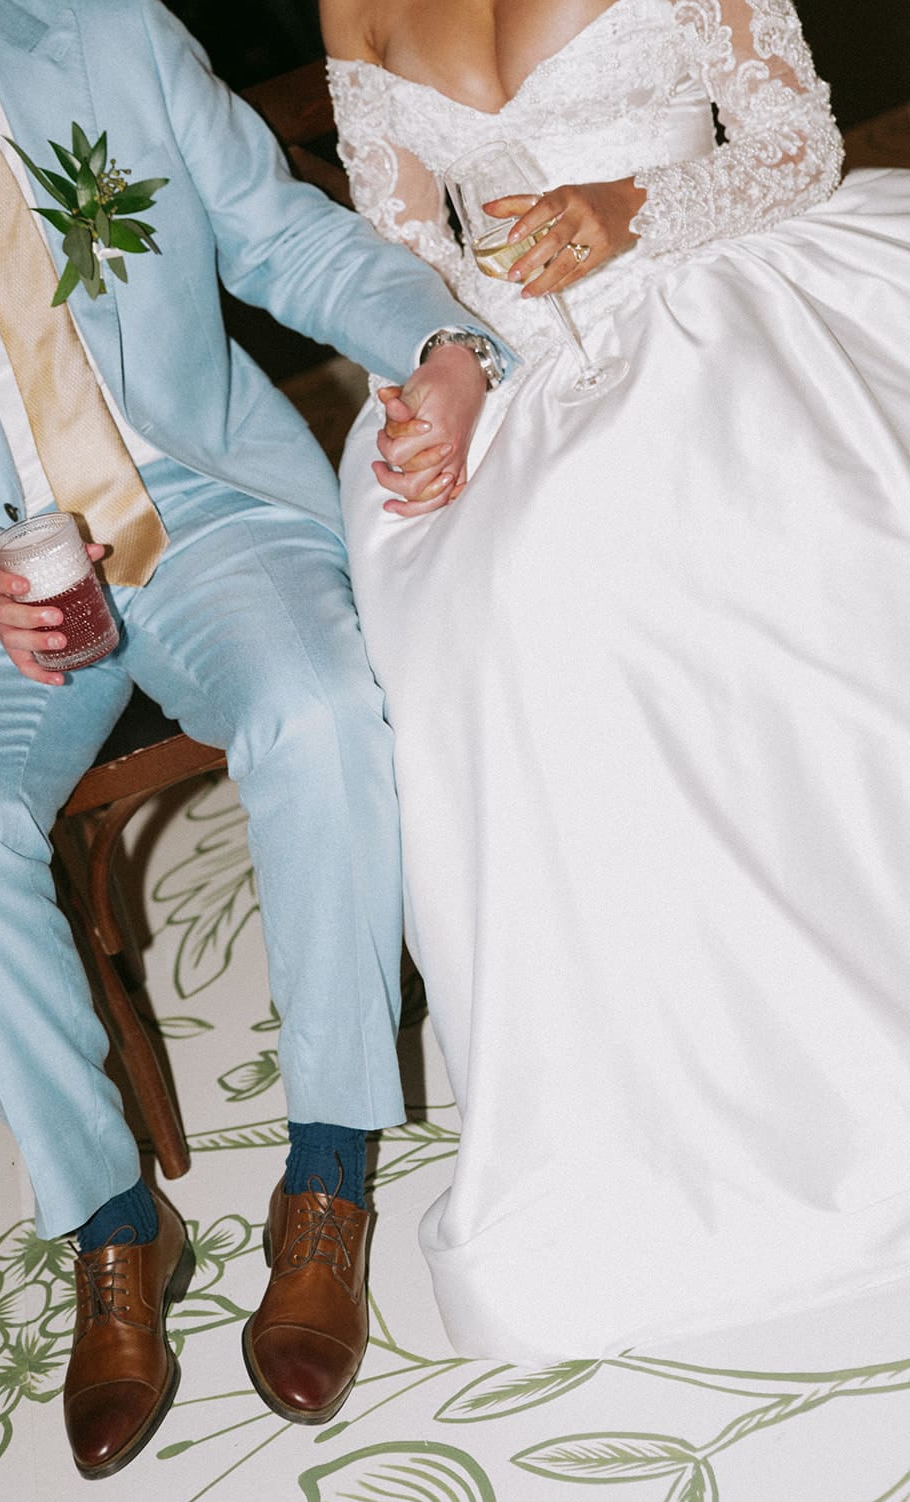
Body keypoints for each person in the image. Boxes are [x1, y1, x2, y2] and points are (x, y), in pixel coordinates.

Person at [0, 0, 511, 1476]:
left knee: (323, 710)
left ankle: (328, 1173)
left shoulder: (104, 33)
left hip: (196, 501)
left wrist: (442, 339)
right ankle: (109, 1224)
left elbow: (273, 232)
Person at [320, 0, 910, 1363]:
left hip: (717, 283)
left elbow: (792, 143)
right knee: (478, 612)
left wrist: (628, 206)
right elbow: (398, 243)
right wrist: (445, 363)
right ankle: (651, 1116)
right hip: (502, 366)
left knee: (684, 541)